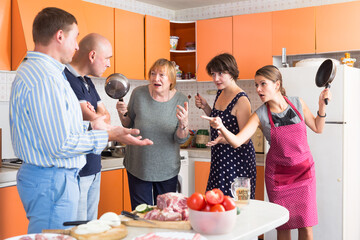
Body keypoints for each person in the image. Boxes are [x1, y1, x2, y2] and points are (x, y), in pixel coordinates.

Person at [9, 7, 152, 233]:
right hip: (53, 180)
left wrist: (99, 127)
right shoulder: (45, 78)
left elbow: (65, 129)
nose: (77, 46)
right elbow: (61, 144)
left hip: (53, 179)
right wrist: (108, 134)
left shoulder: (45, 73)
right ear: (60, 36)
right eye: (75, 37)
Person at [203, 65, 331, 240]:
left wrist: (321, 106)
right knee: (283, 227)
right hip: (279, 177)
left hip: (304, 173)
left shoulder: (297, 103)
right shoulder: (260, 115)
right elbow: (237, 141)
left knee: (306, 226)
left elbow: (318, 127)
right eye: (256, 85)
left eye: (263, 84)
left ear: (277, 85)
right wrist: (222, 127)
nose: (258, 89)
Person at [116, 58, 189, 209]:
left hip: (167, 169)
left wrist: (184, 125)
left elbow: (180, 139)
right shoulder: (138, 94)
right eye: (153, 73)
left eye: (162, 75)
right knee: (140, 215)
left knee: (166, 214)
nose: (156, 78)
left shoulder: (180, 99)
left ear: (171, 80)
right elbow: (128, 124)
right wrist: (122, 114)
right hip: (139, 165)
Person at [64, 33, 112, 221]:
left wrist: (97, 116)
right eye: (107, 58)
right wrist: (97, 117)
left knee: (91, 227)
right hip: (78, 170)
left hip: (93, 166)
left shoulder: (87, 81)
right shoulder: (67, 78)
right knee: (79, 230)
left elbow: (105, 119)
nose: (108, 64)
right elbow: (95, 119)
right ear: (92, 56)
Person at [194, 53, 256, 198]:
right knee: (215, 203)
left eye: (220, 73)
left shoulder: (241, 100)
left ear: (232, 71)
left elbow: (244, 139)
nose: (216, 79)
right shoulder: (221, 92)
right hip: (219, 158)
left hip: (237, 161)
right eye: (213, 74)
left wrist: (222, 139)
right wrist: (205, 107)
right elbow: (218, 121)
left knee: (236, 207)